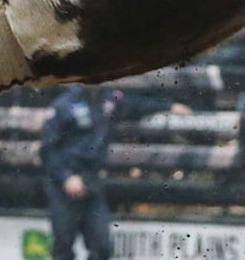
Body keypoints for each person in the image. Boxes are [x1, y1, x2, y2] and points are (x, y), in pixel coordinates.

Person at [40, 85, 190, 260]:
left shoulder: (108, 100)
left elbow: (136, 105)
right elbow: (47, 149)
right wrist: (66, 177)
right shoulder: (63, 104)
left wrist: (169, 106)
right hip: (64, 185)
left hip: (92, 180)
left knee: (102, 246)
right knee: (63, 247)